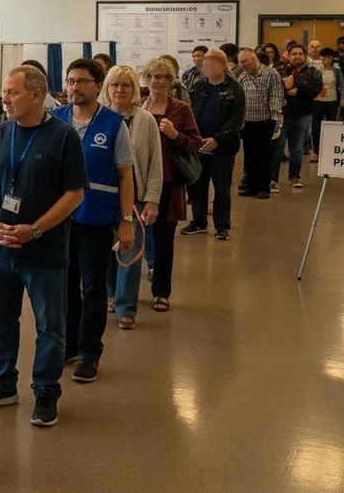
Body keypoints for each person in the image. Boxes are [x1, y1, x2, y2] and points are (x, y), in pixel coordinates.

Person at [0, 66, 86, 428]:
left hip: (44, 251)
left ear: (37, 95)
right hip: (2, 249)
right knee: (0, 322)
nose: (4, 99)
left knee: (49, 327)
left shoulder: (63, 137)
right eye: (5, 92)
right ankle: (3, 383)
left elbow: (75, 194)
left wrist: (35, 230)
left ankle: (45, 392)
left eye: (12, 92)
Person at [53, 58, 135, 383]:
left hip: (97, 220)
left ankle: (90, 352)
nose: (75, 87)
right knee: (66, 286)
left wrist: (126, 219)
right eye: (71, 81)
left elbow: (126, 177)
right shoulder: (56, 119)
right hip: (59, 219)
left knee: (94, 288)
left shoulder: (114, 124)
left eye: (82, 81)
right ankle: (70, 344)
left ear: (97, 86)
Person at [99, 66, 161, 330]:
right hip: (102, 199)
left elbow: (155, 162)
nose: (119, 90)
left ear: (134, 89)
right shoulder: (98, 119)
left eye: (125, 85)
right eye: (114, 85)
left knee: (130, 254)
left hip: (134, 199)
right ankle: (110, 294)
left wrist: (152, 199)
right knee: (103, 252)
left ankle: (126, 307)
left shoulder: (145, 119)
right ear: (106, 89)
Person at [142, 58, 202, 312]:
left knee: (164, 240)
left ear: (172, 81)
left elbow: (195, 143)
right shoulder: (137, 107)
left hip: (168, 183)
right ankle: (121, 294)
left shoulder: (181, 109)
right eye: (154, 77)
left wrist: (175, 135)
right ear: (146, 79)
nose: (159, 82)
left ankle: (161, 293)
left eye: (165, 77)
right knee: (131, 239)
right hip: (136, 183)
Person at [181, 49, 246, 241]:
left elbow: (236, 119)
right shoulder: (199, 87)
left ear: (220, 65)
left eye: (206, 64)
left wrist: (217, 138)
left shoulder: (234, 89)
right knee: (197, 186)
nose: (203, 68)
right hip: (199, 145)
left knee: (221, 188)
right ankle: (198, 222)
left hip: (222, 147)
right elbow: (190, 112)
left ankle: (222, 224)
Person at [236, 48, 284, 200]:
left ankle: (264, 188)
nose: (242, 65)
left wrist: (276, 121)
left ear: (254, 59)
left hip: (266, 122)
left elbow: (276, 97)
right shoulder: (242, 77)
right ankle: (251, 186)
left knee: (265, 157)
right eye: (240, 62)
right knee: (250, 157)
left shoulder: (271, 74)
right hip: (247, 123)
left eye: (245, 61)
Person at [273, 44, 322, 190]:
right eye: (294, 54)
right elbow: (276, 88)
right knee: (277, 148)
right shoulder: (279, 71)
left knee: (298, 149)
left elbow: (315, 89)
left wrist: (298, 91)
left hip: (303, 115)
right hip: (281, 115)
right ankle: (272, 179)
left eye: (300, 54)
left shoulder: (313, 72)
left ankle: (294, 177)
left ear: (305, 55)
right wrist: (286, 88)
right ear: (288, 55)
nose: (297, 56)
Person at [309, 48, 344, 163]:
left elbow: (341, 84)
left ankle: (331, 149)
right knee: (316, 126)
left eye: (326, 57)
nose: (324, 59)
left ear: (331, 58)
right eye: (322, 57)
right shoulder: (316, 69)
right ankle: (316, 150)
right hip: (318, 100)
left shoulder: (336, 69)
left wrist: (343, 96)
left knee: (331, 125)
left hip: (332, 100)